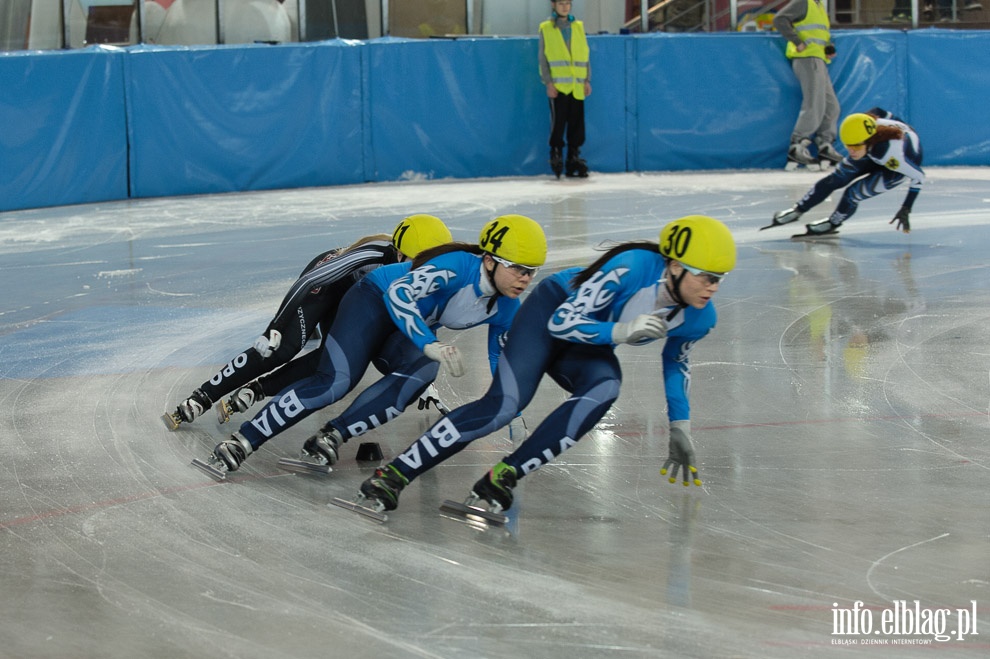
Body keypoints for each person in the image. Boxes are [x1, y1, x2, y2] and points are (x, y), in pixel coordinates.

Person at [353, 215, 737, 516]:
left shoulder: (700, 317)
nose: (712, 287)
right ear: (673, 266)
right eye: (705, 276)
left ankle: (502, 477)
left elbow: (676, 363)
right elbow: (563, 322)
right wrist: (622, 330)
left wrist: (679, 426)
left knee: (605, 388)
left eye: (718, 280)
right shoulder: (633, 267)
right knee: (503, 405)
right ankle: (395, 474)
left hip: (591, 341)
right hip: (551, 313)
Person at [203, 215, 548, 477]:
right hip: (372, 303)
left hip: (404, 329)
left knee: (422, 373)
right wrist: (427, 341)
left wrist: (513, 411)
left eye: (532, 271)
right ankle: (244, 439)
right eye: (518, 268)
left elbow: (499, 357)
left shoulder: (506, 307)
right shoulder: (457, 267)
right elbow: (399, 295)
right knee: (337, 381)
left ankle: (332, 435)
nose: (525, 279)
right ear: (489, 259)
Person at [162, 214, 453, 431]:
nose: (423, 276)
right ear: (400, 255)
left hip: (357, 302)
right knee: (284, 348)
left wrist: (417, 376)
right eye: (417, 265)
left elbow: (415, 329)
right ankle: (203, 396)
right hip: (327, 285)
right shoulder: (375, 253)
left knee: (333, 360)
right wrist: (275, 326)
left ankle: (260, 389)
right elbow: (312, 280)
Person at [766, 108, 924, 238]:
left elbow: (918, 176)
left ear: (869, 141)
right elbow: (879, 111)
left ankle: (833, 222)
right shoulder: (863, 127)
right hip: (872, 150)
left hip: (894, 169)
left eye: (855, 146)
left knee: (852, 193)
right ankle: (798, 210)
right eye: (848, 146)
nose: (851, 151)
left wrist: (906, 207)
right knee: (835, 179)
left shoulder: (891, 154)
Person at [773, 0, 842, 169]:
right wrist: (797, 42)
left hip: (818, 59)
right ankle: (797, 145)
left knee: (832, 106)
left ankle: (825, 144)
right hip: (807, 59)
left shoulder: (818, 6)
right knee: (814, 103)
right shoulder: (803, 2)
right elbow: (779, 19)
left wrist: (828, 47)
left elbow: (819, 35)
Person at [539, 0, 592, 179]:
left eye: (568, 3)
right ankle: (556, 152)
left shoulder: (578, 26)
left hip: (577, 86)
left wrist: (586, 80)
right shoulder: (546, 28)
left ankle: (573, 155)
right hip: (559, 87)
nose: (565, 7)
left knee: (577, 123)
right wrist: (548, 83)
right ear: (553, 5)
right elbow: (543, 58)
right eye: (561, 3)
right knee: (558, 122)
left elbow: (585, 55)